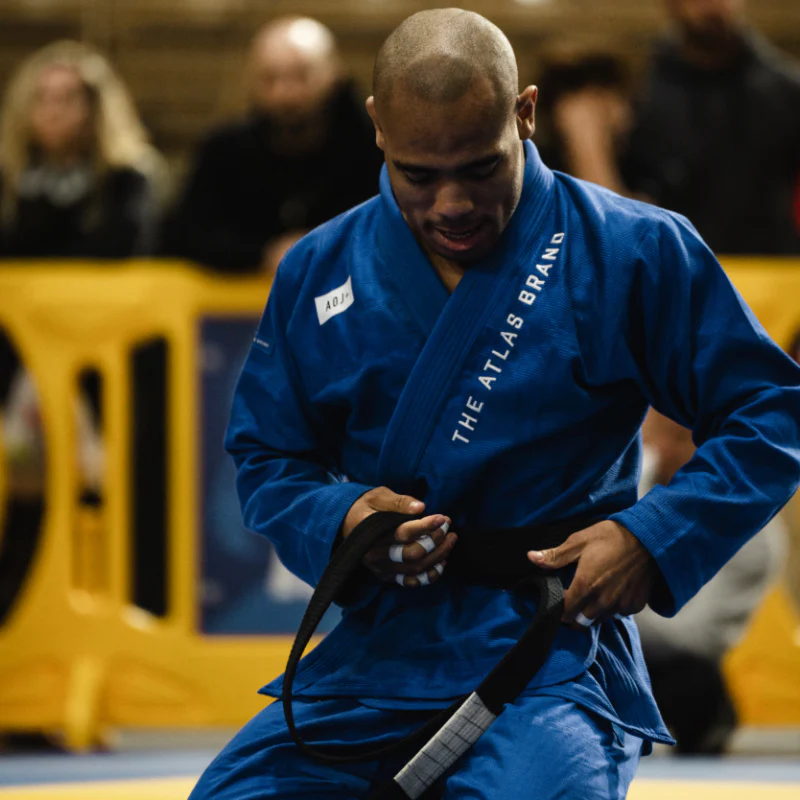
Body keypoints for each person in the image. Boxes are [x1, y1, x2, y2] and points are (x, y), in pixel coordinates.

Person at [191, 9, 800, 799]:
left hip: (554, 650)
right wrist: (344, 522)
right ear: (377, 128)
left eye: (481, 168)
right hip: (381, 654)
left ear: (526, 113)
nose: (452, 204)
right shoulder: (318, 269)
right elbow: (268, 454)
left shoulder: (631, 248)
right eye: (419, 175)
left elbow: (772, 409)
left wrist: (650, 537)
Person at [162, 16, 383, 275]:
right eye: (269, 79)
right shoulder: (224, 149)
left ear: (335, 74)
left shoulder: (376, 145)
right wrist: (262, 254)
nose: (284, 94)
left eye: (300, 76)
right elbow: (185, 235)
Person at [636, 410, 786, 754]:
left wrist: (606, 606)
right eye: (655, 433)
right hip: (612, 648)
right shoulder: (624, 486)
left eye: (679, 438)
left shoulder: (753, 533)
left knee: (694, 683)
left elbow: (694, 636)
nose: (661, 448)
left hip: (675, 672)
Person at [620, 0, 800, 254]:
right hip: (677, 267)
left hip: (772, 268)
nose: (711, 5)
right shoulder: (639, 95)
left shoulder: (787, 93)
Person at [0, 39, 164, 258]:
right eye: (42, 98)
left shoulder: (125, 178)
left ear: (95, 109)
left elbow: (127, 248)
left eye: (67, 99)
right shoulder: (9, 175)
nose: (53, 112)